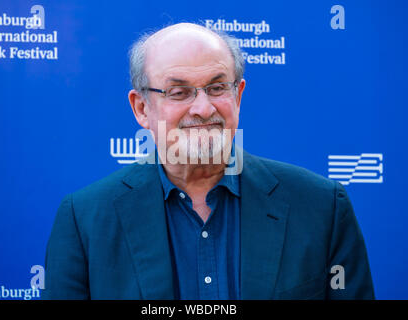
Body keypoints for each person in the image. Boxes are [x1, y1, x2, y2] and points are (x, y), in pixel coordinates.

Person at [42, 23, 375, 300]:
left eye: (217, 87)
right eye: (179, 92)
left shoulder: (321, 207)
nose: (203, 108)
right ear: (141, 108)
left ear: (238, 95)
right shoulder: (84, 219)